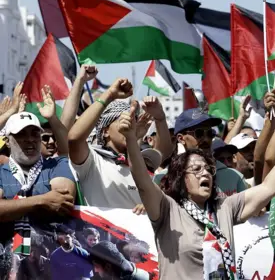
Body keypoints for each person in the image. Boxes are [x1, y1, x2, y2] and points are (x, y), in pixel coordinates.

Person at [117, 99, 275, 279]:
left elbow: (268, 187)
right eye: (196, 169)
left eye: (207, 169)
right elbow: (142, 181)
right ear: (180, 177)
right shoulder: (167, 209)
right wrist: (130, 139)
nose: (205, 174)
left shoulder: (224, 208)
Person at [68, 79, 172, 209]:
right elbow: (74, 139)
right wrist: (109, 95)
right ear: (106, 131)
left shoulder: (140, 162)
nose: (130, 126)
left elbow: (165, 152)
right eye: (124, 120)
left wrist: (160, 118)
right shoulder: (92, 161)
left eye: (133, 121)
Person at [0, 111, 76, 261]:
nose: (30, 139)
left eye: (35, 134)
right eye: (21, 134)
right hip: (7, 262)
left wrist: (12, 208)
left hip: (51, 261)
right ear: (7, 141)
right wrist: (42, 200)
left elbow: (63, 202)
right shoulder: (1, 172)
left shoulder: (57, 165)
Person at [155, 107, 248, 197]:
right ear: (181, 138)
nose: (206, 139)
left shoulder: (234, 177)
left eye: (209, 133)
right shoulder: (165, 178)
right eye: (199, 133)